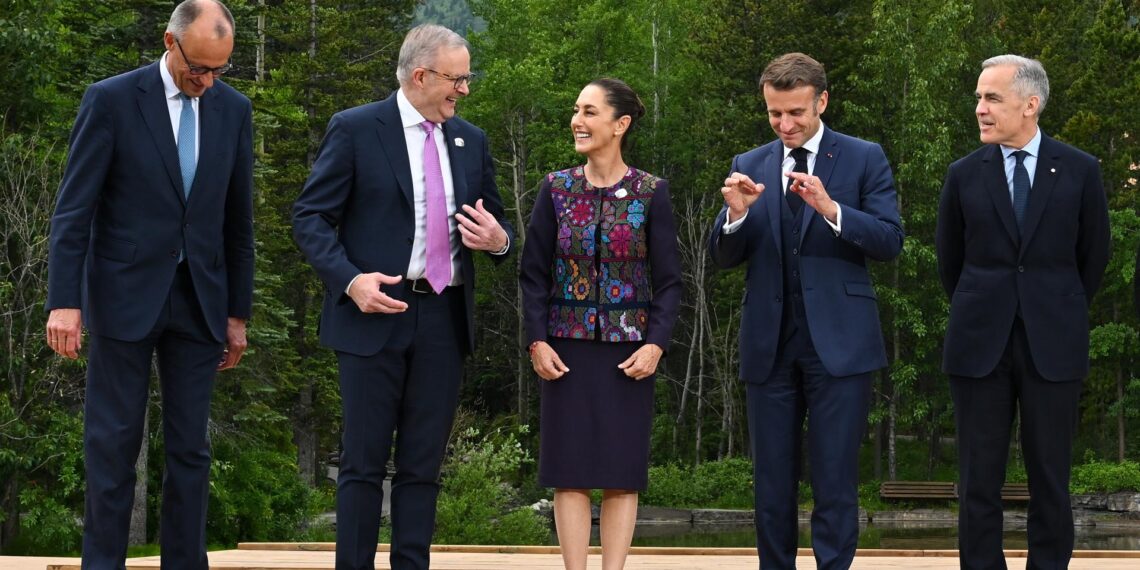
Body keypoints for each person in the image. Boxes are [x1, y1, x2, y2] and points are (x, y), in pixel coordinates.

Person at [291, 24, 514, 570]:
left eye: (466, 79)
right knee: (363, 464)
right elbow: (310, 217)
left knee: (423, 465)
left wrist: (499, 241)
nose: (463, 90)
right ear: (421, 75)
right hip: (374, 313)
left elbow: (498, 225)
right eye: (456, 79)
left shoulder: (471, 140)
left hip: (443, 317)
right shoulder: (356, 129)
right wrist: (350, 279)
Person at [43, 1, 252, 568]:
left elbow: (239, 223)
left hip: (200, 301)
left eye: (218, 70)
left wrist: (237, 314)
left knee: (192, 450)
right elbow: (73, 212)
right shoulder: (111, 100)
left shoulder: (233, 110)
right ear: (170, 42)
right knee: (112, 445)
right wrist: (65, 302)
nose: (206, 82)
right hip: (121, 296)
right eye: (198, 68)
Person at [708, 52, 904, 569]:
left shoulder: (864, 157)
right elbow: (724, 258)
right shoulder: (748, 164)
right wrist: (734, 215)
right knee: (771, 483)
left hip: (841, 345)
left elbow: (889, 241)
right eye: (775, 113)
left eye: (795, 112)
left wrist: (831, 209)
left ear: (822, 100)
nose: (785, 124)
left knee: (835, 478)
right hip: (768, 346)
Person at [936, 54, 1110, 570]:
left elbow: (1092, 257)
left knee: (1051, 479)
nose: (980, 109)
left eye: (992, 98)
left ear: (1030, 104)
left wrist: (1052, 307)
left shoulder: (1081, 170)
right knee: (977, 481)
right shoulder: (963, 175)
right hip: (977, 346)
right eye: (978, 98)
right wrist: (986, 306)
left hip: (1053, 345)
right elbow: (952, 262)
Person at [520, 77, 681, 570]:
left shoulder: (651, 193)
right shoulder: (555, 189)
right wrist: (537, 341)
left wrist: (656, 345)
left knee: (620, 472)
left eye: (590, 112)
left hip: (628, 354)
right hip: (564, 352)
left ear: (620, 124)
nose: (578, 121)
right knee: (569, 473)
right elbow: (532, 274)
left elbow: (670, 282)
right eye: (576, 110)